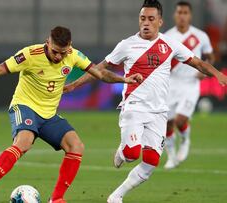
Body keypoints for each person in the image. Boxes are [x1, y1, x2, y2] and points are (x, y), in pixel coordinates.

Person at [63, 0, 227, 202]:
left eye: (151, 19)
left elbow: (198, 63)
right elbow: (99, 68)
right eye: (142, 19)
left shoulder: (170, 44)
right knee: (132, 154)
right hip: (134, 107)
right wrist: (73, 85)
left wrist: (217, 73)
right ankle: (124, 152)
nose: (146, 23)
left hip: (159, 112)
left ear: (160, 21)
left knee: (150, 162)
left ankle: (116, 196)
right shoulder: (127, 45)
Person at [0, 26, 142, 203]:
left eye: (63, 53)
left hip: (49, 114)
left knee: (76, 146)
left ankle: (56, 198)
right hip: (24, 106)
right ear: (47, 42)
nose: (58, 56)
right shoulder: (30, 54)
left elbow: (100, 74)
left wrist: (124, 79)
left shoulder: (73, 55)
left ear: (69, 46)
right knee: (24, 142)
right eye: (55, 51)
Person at [163, 1, 215, 169]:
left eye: (185, 12)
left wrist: (204, 71)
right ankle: (171, 156)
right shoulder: (167, 37)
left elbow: (210, 57)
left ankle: (185, 141)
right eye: (179, 12)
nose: (182, 16)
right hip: (172, 83)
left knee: (180, 120)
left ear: (190, 15)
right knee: (167, 123)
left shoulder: (200, 36)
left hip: (191, 83)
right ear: (174, 15)